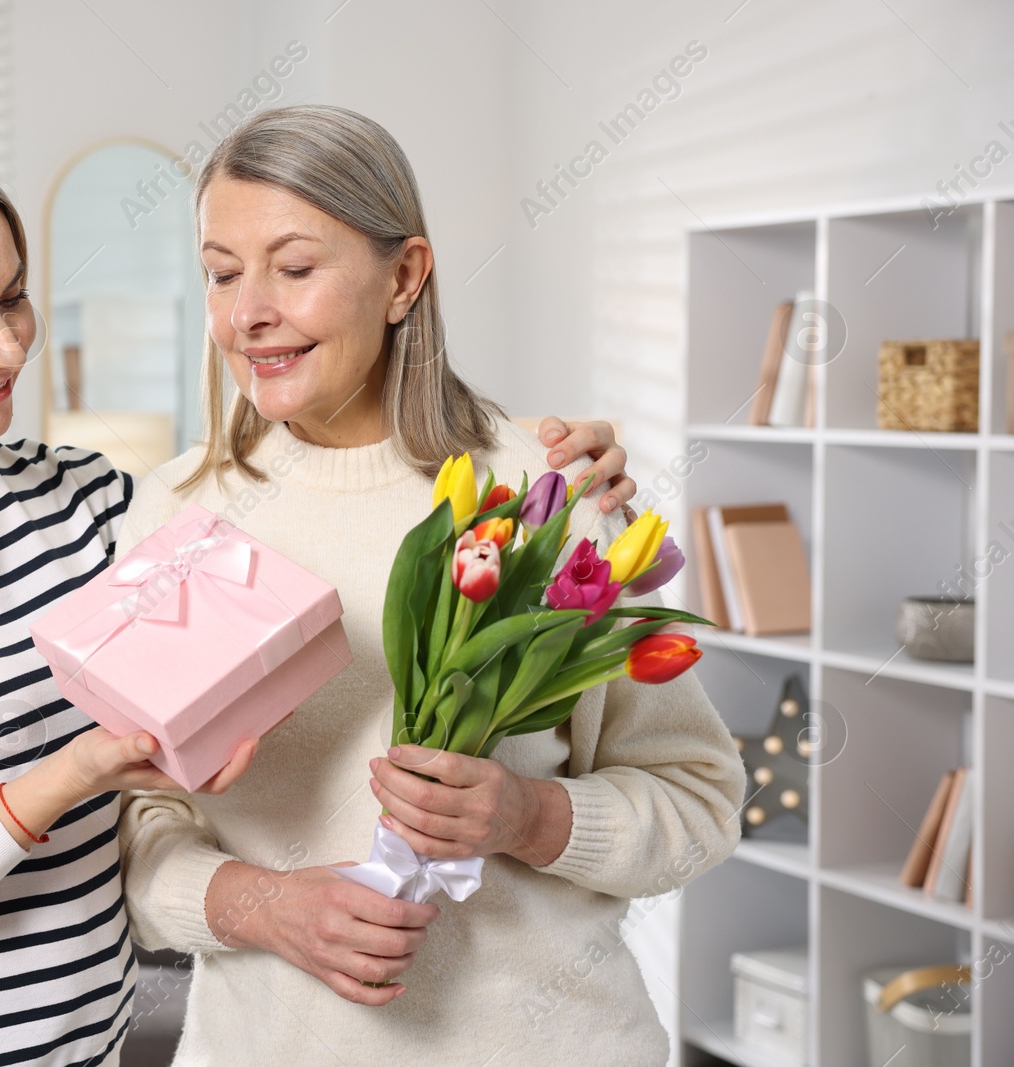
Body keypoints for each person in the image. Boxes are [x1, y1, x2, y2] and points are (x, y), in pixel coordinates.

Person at [0, 121, 640, 1065]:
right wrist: (75, 772)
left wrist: (537, 460)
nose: (7, 347)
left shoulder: (85, 503)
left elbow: (311, 492)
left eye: (14, 299)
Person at [115, 105, 746, 1065]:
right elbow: (128, 820)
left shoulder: (541, 496)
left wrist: (531, 818)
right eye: (222, 272)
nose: (248, 313)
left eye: (295, 267)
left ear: (404, 276)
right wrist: (261, 906)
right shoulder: (177, 514)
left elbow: (699, 801)